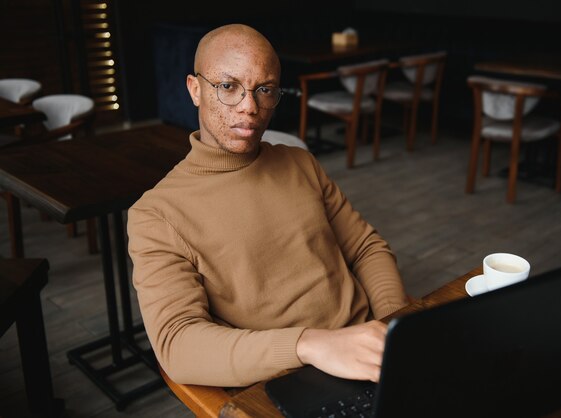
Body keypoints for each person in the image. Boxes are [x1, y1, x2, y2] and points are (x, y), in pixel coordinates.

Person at [127, 24, 408, 388]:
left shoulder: (300, 163)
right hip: (290, 381)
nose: (250, 107)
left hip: (372, 349)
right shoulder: (157, 214)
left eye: (265, 90)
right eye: (228, 87)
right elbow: (177, 344)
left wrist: (393, 324)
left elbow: (367, 247)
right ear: (195, 90)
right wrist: (309, 346)